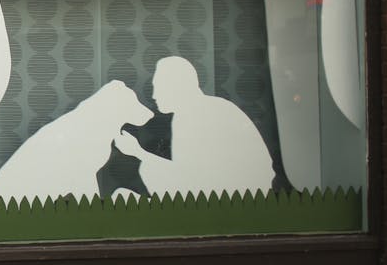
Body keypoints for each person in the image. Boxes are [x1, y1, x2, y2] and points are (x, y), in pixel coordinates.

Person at [112, 55, 276, 199]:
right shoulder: (197, 111)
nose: (154, 96)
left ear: (176, 86)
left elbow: (193, 176)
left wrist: (138, 152)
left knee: (148, 171)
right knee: (147, 172)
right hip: (226, 192)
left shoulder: (201, 114)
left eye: (158, 88)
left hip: (238, 197)